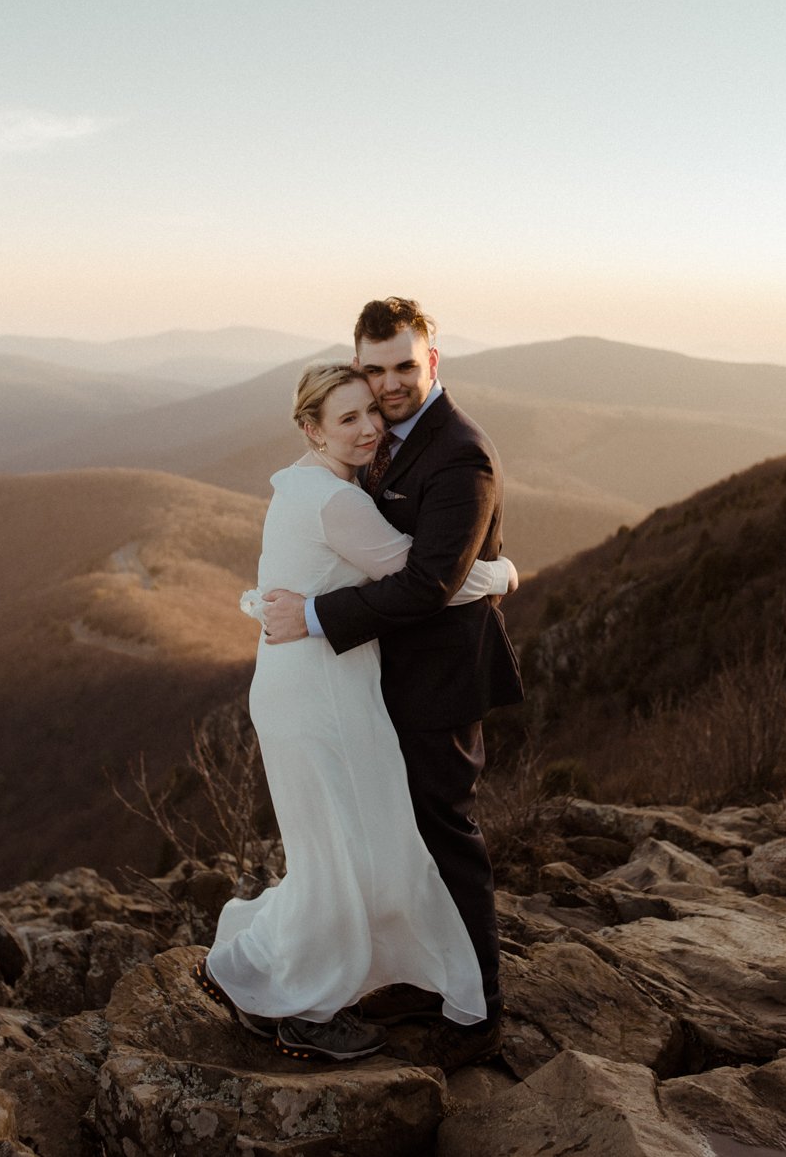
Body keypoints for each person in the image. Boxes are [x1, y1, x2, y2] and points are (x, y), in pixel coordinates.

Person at [198, 357, 518, 1061]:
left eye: (371, 411)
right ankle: (307, 1010)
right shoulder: (337, 502)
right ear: (312, 428)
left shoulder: (303, 484)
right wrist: (502, 570)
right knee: (343, 855)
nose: (371, 427)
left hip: (297, 685)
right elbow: (429, 580)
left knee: (329, 850)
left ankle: (262, 977)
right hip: (323, 697)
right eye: (347, 418)